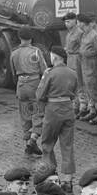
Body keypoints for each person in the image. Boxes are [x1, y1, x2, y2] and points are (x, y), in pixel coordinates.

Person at [37, 46, 79, 177]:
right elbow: (75, 93)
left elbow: (39, 95)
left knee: (47, 142)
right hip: (68, 108)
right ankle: (68, 179)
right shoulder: (73, 73)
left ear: (54, 57)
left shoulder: (50, 73)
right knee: (67, 146)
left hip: (53, 110)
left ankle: (51, 173)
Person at [10, 31, 46, 155]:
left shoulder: (14, 53)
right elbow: (44, 70)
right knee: (38, 113)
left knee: (25, 116)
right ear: (31, 39)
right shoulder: (35, 51)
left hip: (21, 85)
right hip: (34, 84)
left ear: (19, 38)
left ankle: (28, 146)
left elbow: (12, 73)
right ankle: (33, 139)